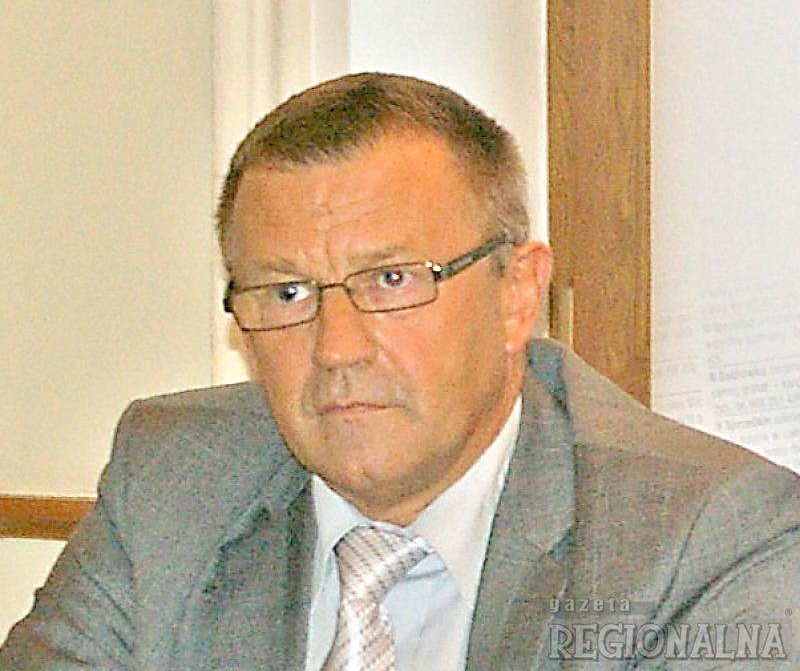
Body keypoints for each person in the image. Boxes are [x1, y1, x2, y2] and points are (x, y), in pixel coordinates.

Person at [1, 73, 798, 670]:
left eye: (392, 280)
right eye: (287, 292)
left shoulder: (706, 539)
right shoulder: (174, 476)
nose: (337, 347)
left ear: (518, 293)